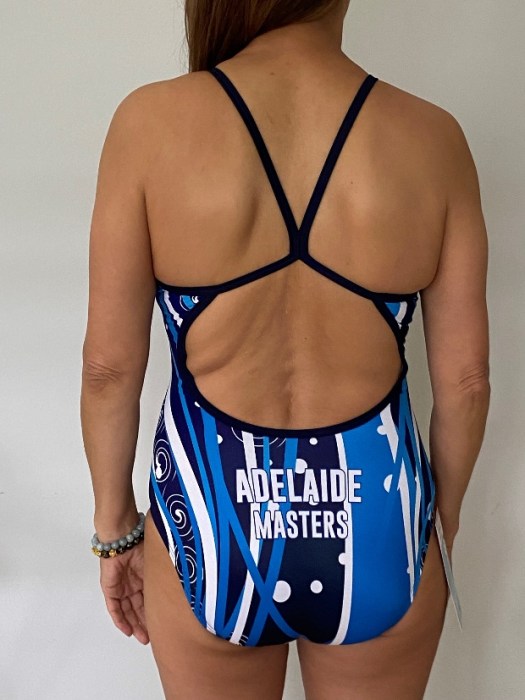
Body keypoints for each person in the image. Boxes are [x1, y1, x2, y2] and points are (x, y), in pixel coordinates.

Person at [80, 0, 490, 697]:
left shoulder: (148, 124)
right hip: (375, 520)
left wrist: (116, 530)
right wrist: (433, 528)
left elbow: (108, 370)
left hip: (212, 520)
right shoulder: (432, 137)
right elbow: (467, 383)